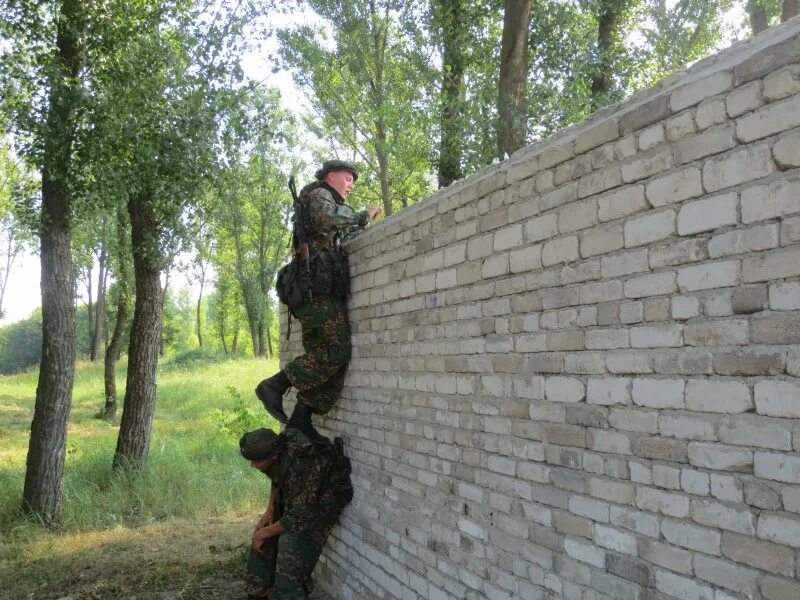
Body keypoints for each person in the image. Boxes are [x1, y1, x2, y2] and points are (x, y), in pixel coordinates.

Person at [257, 160, 381, 442]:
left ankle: (301, 419)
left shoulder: (322, 199)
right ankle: (275, 385)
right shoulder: (319, 195)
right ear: (331, 176)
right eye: (348, 179)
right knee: (336, 352)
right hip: (317, 289)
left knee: (328, 359)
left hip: (317, 288)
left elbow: (331, 233)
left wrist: (358, 225)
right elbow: (329, 218)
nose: (350, 185)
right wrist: (362, 215)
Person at [240, 427, 353, 600]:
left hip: (323, 503)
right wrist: (270, 511)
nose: (252, 465)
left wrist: (264, 534)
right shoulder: (278, 448)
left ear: (274, 456)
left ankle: (288, 593)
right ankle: (257, 593)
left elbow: (296, 517)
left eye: (256, 461)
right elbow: (276, 478)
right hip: (300, 501)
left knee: (288, 552)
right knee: (263, 536)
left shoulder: (301, 467)